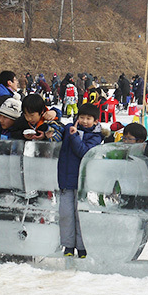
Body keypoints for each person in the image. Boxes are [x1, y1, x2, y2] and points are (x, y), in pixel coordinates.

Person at [57, 102, 103, 258]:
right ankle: (68, 246)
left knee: (80, 215)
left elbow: (84, 152)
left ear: (95, 121)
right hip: (66, 180)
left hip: (84, 183)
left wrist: (74, 135)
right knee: (66, 215)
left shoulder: (96, 136)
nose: (84, 121)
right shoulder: (69, 129)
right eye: (82, 117)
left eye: (88, 118)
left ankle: (83, 247)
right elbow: (56, 125)